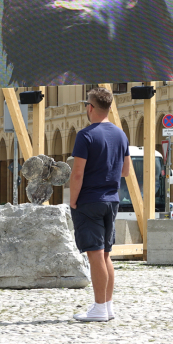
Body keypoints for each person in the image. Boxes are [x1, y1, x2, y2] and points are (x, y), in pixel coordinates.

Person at [69, 88, 131, 323]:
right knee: (105, 255)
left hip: (90, 200)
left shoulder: (85, 135)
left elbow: (77, 173)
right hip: (112, 200)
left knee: (95, 255)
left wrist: (73, 200)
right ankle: (107, 306)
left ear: (91, 107)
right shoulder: (120, 135)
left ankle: (98, 308)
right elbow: (125, 171)